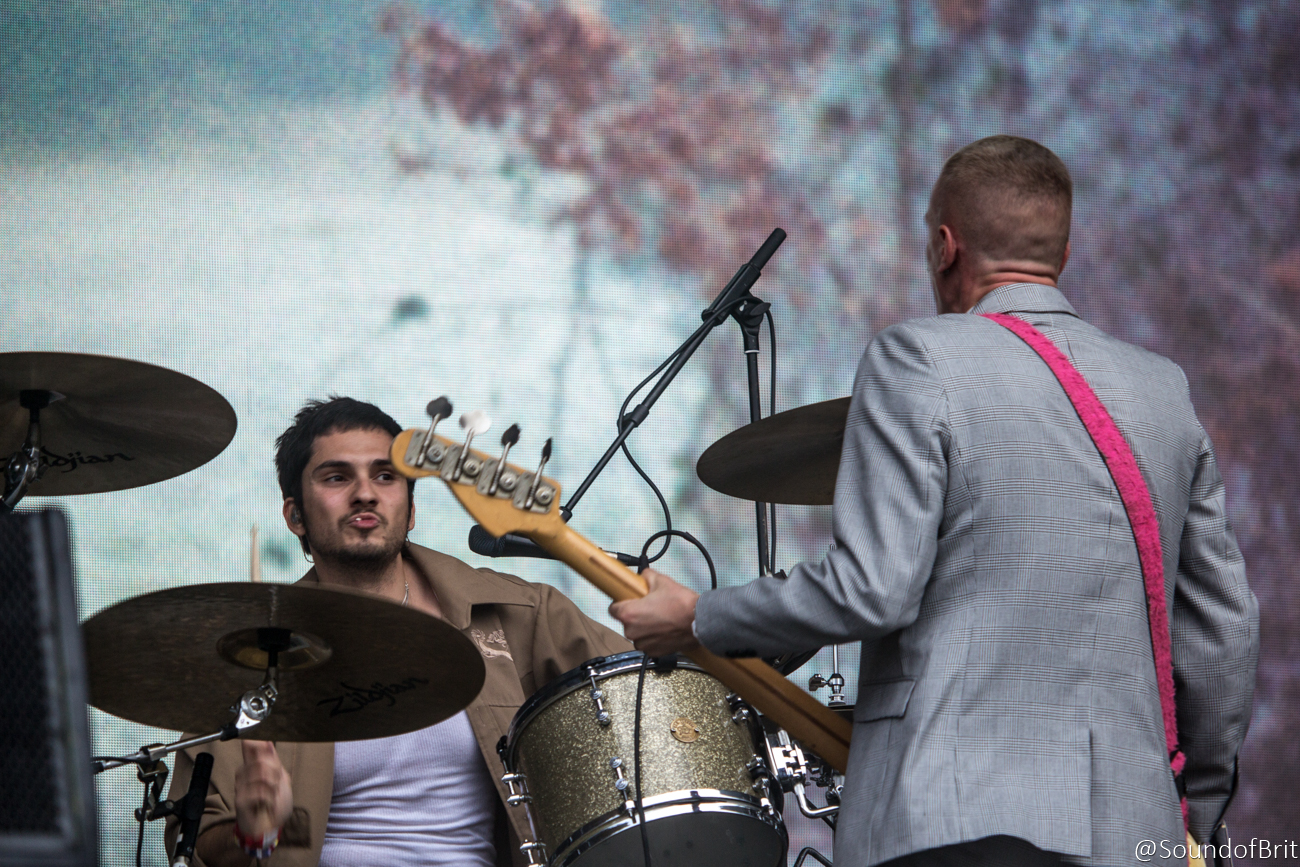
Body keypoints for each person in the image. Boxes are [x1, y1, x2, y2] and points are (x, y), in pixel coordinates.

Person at [611, 135, 1259, 866]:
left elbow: (874, 589)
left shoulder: (917, 357)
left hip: (957, 824)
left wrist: (698, 616)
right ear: (1063, 257)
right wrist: (1193, 815)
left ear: (945, 246)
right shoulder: (1162, 389)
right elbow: (1225, 636)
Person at [166, 397, 630, 866]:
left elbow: (652, 701)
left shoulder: (519, 613)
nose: (365, 493)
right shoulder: (254, 657)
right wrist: (255, 833)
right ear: (295, 517)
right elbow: (197, 845)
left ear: (410, 511)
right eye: (337, 477)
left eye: (386, 476)